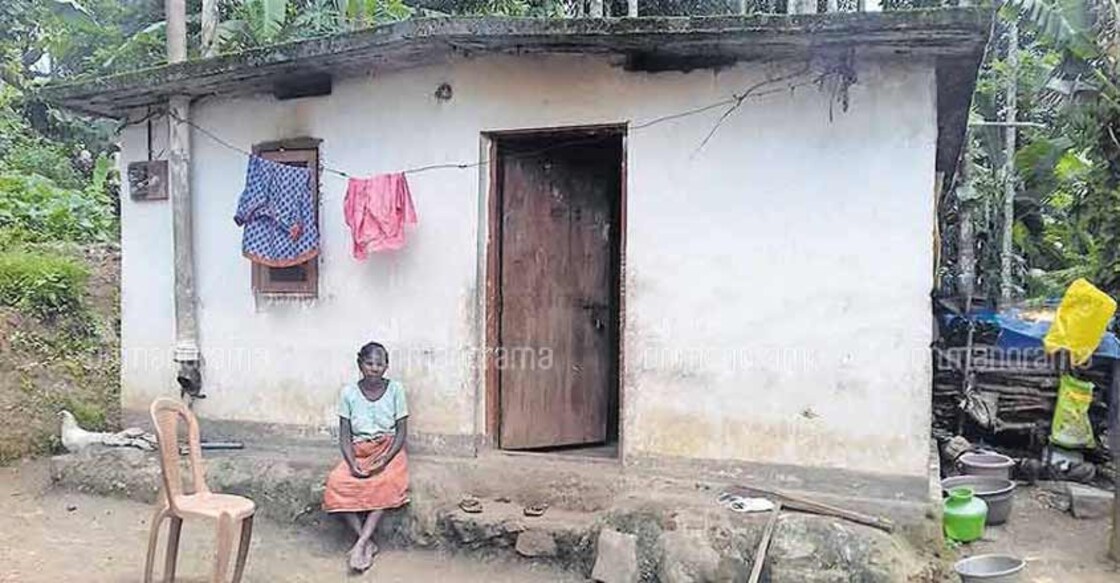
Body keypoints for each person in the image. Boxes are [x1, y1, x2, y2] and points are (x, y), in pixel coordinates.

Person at [323, 341, 409, 572]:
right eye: (369, 363)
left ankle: (360, 543)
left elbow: (401, 432)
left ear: (386, 366)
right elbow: (344, 435)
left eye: (379, 364)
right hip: (358, 450)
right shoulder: (348, 393)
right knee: (336, 484)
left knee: (386, 482)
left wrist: (385, 459)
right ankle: (367, 541)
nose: (374, 368)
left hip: (389, 449)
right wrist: (352, 464)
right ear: (360, 364)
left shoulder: (396, 390)